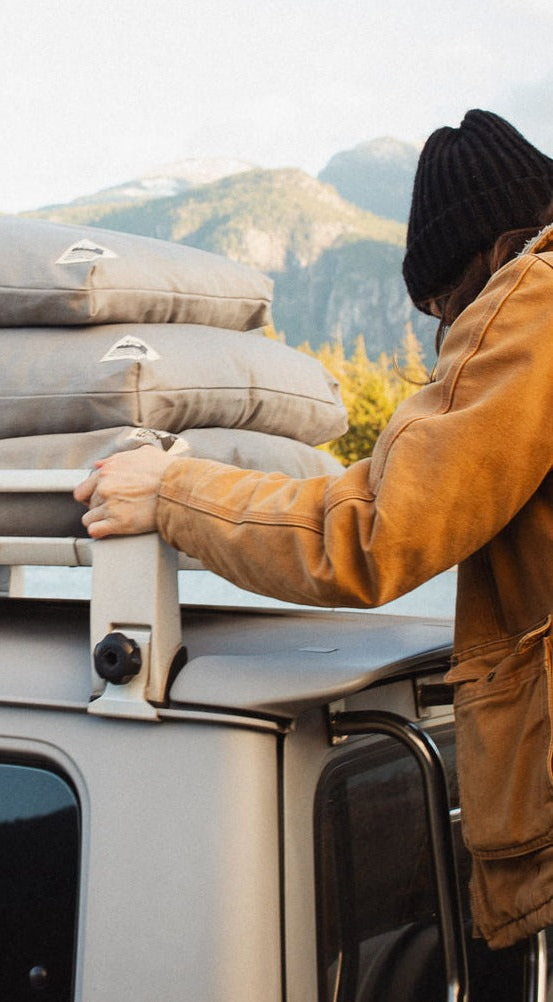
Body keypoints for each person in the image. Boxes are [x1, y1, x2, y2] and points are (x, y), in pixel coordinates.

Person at [74, 109, 553, 951]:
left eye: (444, 304)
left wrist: (175, 492)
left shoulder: (535, 298)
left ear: (487, 255)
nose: (449, 334)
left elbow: (372, 534)